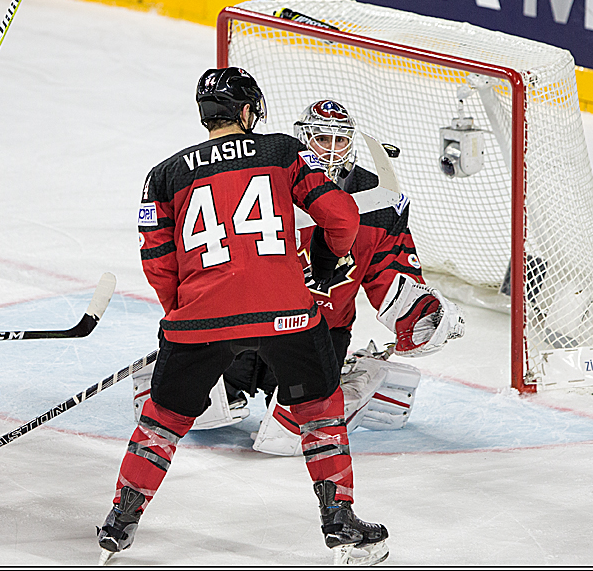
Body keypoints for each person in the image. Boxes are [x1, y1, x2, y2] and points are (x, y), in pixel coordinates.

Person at [98, 68, 389, 566]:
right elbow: (342, 217)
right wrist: (329, 257)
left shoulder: (163, 174)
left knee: (163, 420)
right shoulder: (281, 151)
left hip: (199, 318)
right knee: (320, 410)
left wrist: (183, 314)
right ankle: (338, 519)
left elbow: (157, 263)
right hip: (288, 315)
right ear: (249, 111)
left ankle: (121, 519)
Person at [135, 100, 467, 454]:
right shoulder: (263, 183)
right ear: (301, 141)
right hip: (250, 325)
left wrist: (423, 312)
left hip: (315, 337)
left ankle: (358, 384)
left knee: (287, 441)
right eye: (322, 139)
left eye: (341, 142)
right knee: (195, 413)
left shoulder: (376, 202)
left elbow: (392, 273)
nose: (332, 150)